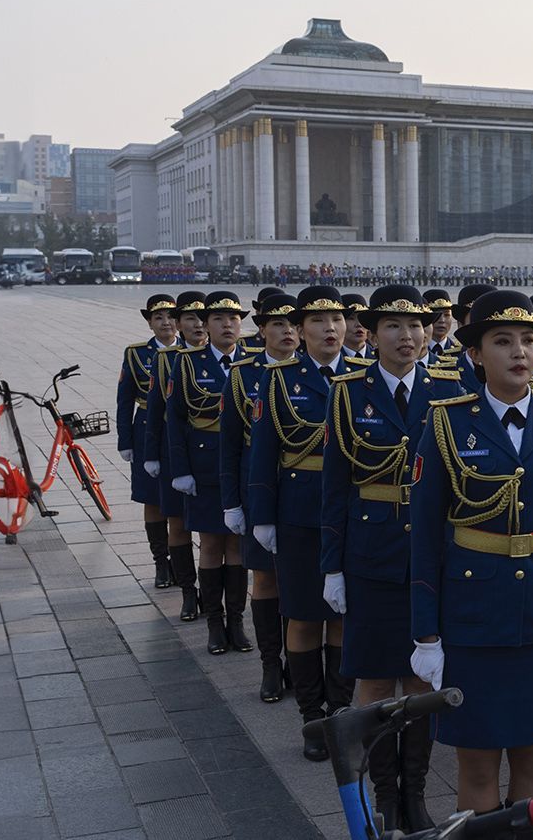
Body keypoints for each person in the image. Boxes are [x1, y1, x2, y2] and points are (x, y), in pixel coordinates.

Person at [408, 290, 533, 827]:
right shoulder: (445, 422)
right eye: (503, 341)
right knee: (478, 762)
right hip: (475, 616)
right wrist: (426, 634)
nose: (519, 352)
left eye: (529, 340)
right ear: (475, 354)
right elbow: (423, 536)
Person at [320, 286, 463, 830]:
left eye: (417, 327)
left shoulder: (448, 388)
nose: (408, 337)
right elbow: (334, 486)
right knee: (377, 681)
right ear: (372, 334)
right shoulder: (348, 391)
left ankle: (417, 792)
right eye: (394, 328)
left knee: (423, 680)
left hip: (433, 552)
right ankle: (385, 793)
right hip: (372, 551)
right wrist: (332, 564)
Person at [248, 286, 353, 760]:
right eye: (318, 321)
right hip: (301, 514)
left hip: (354, 515)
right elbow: (264, 454)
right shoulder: (280, 379)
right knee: (307, 618)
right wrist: (262, 516)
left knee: (345, 620)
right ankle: (312, 717)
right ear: (300, 329)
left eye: (337, 319)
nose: (330, 329)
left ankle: (341, 712)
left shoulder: (364, 376)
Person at [221, 292, 302, 703]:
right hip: (259, 490)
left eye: (292, 326)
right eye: (277, 325)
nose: (286, 332)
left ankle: (298, 661)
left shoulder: (315, 374)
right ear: (263, 331)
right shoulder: (243, 374)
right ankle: (271, 663)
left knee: (300, 584)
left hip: (302, 495)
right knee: (266, 578)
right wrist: (233, 502)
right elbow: (231, 445)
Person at [165, 291, 252, 657]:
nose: (227, 325)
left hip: (243, 465)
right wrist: (181, 470)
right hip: (206, 465)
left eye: (233, 319)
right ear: (207, 325)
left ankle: (236, 620)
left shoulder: (254, 361)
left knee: (238, 546)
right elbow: (175, 418)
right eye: (218, 319)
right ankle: (214, 621)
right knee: (212, 544)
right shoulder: (187, 363)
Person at [147, 290, 209, 620]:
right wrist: (151, 455)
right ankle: (188, 590)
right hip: (176, 455)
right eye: (190, 318)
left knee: (215, 535)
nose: (198, 324)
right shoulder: (167, 361)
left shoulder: (233, 361)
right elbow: (157, 413)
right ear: (179, 323)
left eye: (203, 318)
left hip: (212, 458)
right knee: (179, 525)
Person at [118, 295, 180, 590]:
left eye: (170, 316)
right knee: (151, 497)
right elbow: (125, 399)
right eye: (159, 317)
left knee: (180, 500)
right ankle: (160, 561)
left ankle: (181, 562)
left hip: (181, 431)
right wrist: (125, 440)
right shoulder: (136, 354)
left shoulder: (190, 351)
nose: (165, 322)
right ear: (150, 322)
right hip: (146, 430)